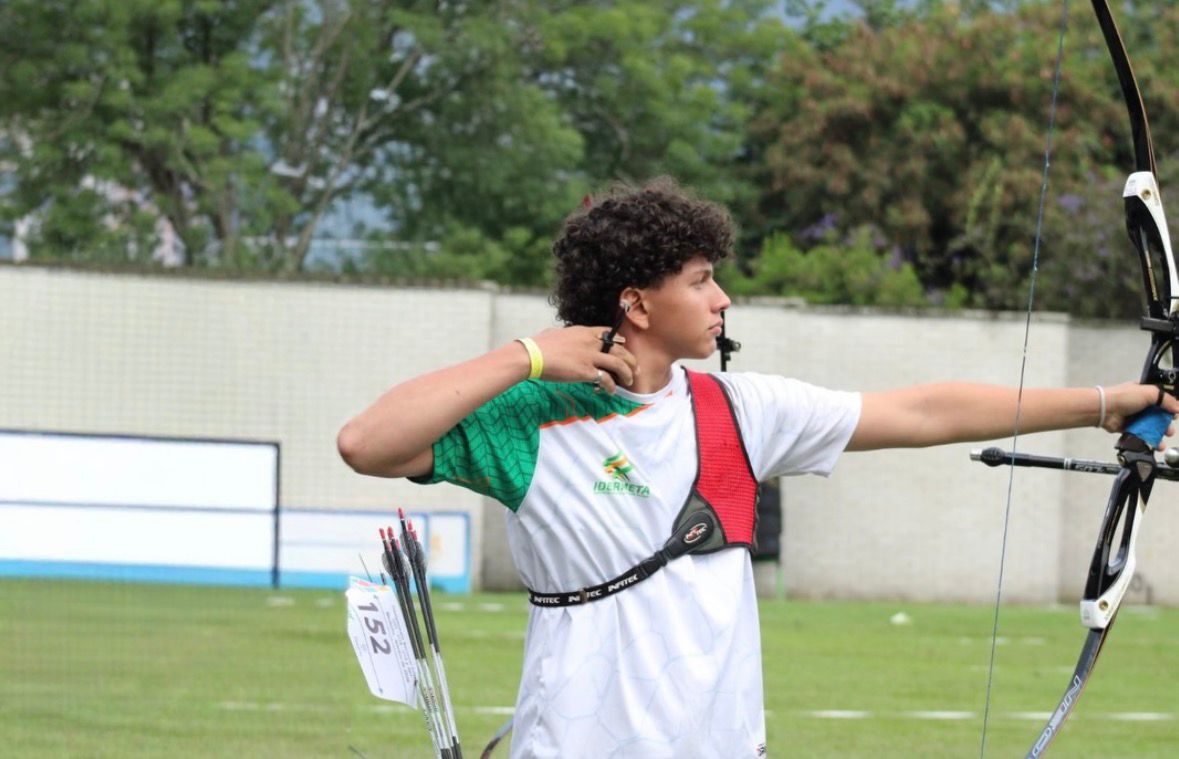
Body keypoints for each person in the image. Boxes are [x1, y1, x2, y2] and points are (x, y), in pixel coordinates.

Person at [337, 177, 1178, 758]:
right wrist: (525, 356)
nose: (721, 298)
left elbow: (921, 411)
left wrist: (1105, 400)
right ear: (635, 302)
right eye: (701, 280)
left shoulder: (738, 411)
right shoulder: (530, 421)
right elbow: (366, 443)